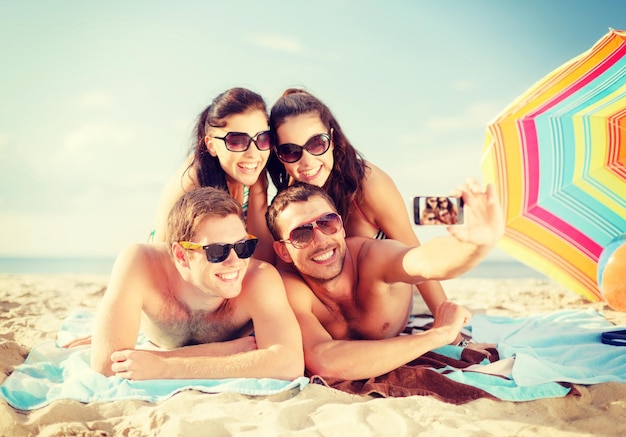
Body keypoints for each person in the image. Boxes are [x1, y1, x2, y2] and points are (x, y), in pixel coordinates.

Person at [265, 180, 503, 380]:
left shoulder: (373, 257)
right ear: (283, 251)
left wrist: (473, 245)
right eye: (301, 234)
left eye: (327, 222)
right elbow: (324, 360)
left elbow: (425, 262)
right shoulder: (291, 288)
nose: (321, 240)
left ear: (342, 227)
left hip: (395, 285)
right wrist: (436, 335)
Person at [266, 88, 451, 319]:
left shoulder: (369, 185)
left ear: (332, 140)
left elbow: (417, 257)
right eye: (291, 151)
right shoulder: (291, 200)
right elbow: (283, 271)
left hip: (384, 313)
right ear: (278, 155)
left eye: (316, 144)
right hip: (337, 323)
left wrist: (451, 330)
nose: (307, 161)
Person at [89, 186, 303, 380]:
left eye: (242, 247)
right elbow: (107, 366)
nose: (235, 261)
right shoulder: (141, 264)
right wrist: (225, 351)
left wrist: (166, 366)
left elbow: (289, 363)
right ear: (181, 256)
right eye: (217, 251)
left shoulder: (260, 279)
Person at [152, 87, 275, 263]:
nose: (253, 153)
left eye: (263, 138)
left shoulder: (254, 170)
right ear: (211, 144)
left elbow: (262, 250)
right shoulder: (190, 184)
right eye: (237, 141)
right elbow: (161, 258)